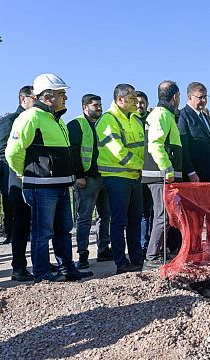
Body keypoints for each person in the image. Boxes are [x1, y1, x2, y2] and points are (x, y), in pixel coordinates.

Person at [5, 73, 93, 282]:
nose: (65, 97)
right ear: (47, 96)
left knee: (64, 230)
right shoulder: (30, 117)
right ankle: (42, 275)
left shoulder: (57, 120)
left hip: (61, 186)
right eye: (61, 93)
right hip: (41, 186)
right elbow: (12, 152)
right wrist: (24, 174)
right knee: (42, 233)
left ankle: (67, 270)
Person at [96, 83, 145, 274]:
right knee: (119, 221)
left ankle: (136, 259)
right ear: (120, 100)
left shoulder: (135, 118)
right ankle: (120, 262)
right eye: (132, 98)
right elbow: (118, 151)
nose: (136, 101)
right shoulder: (108, 120)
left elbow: (142, 146)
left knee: (135, 219)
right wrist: (143, 165)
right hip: (117, 177)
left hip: (134, 177)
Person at [142, 80, 184, 269]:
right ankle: (152, 258)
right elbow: (155, 144)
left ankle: (158, 254)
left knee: (164, 216)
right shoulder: (161, 115)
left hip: (161, 174)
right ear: (175, 97)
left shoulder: (164, 114)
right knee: (162, 216)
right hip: (160, 175)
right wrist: (167, 169)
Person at [0, 85, 35, 281]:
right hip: (18, 179)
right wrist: (23, 168)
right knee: (20, 224)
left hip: (39, 180)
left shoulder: (39, 120)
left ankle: (40, 260)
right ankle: (18, 266)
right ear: (23, 99)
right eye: (35, 98)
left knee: (39, 224)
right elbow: (2, 151)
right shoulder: (9, 121)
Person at [67, 94, 111, 269]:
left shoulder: (103, 124)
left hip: (104, 176)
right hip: (87, 179)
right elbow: (74, 151)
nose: (99, 108)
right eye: (95, 105)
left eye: (100, 105)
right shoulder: (77, 124)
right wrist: (79, 175)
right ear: (85, 107)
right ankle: (83, 254)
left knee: (105, 216)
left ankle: (103, 249)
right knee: (84, 218)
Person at [178, 82, 210, 244]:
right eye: (199, 97)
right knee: (196, 212)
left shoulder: (204, 116)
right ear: (190, 97)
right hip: (196, 173)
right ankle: (195, 243)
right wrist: (191, 172)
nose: (203, 100)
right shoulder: (184, 116)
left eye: (205, 97)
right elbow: (184, 147)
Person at [135, 91, 153, 253]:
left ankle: (153, 244)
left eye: (142, 102)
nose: (139, 105)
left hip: (152, 172)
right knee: (141, 213)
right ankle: (142, 245)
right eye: (137, 102)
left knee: (152, 211)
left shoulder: (152, 119)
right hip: (135, 172)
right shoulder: (130, 120)